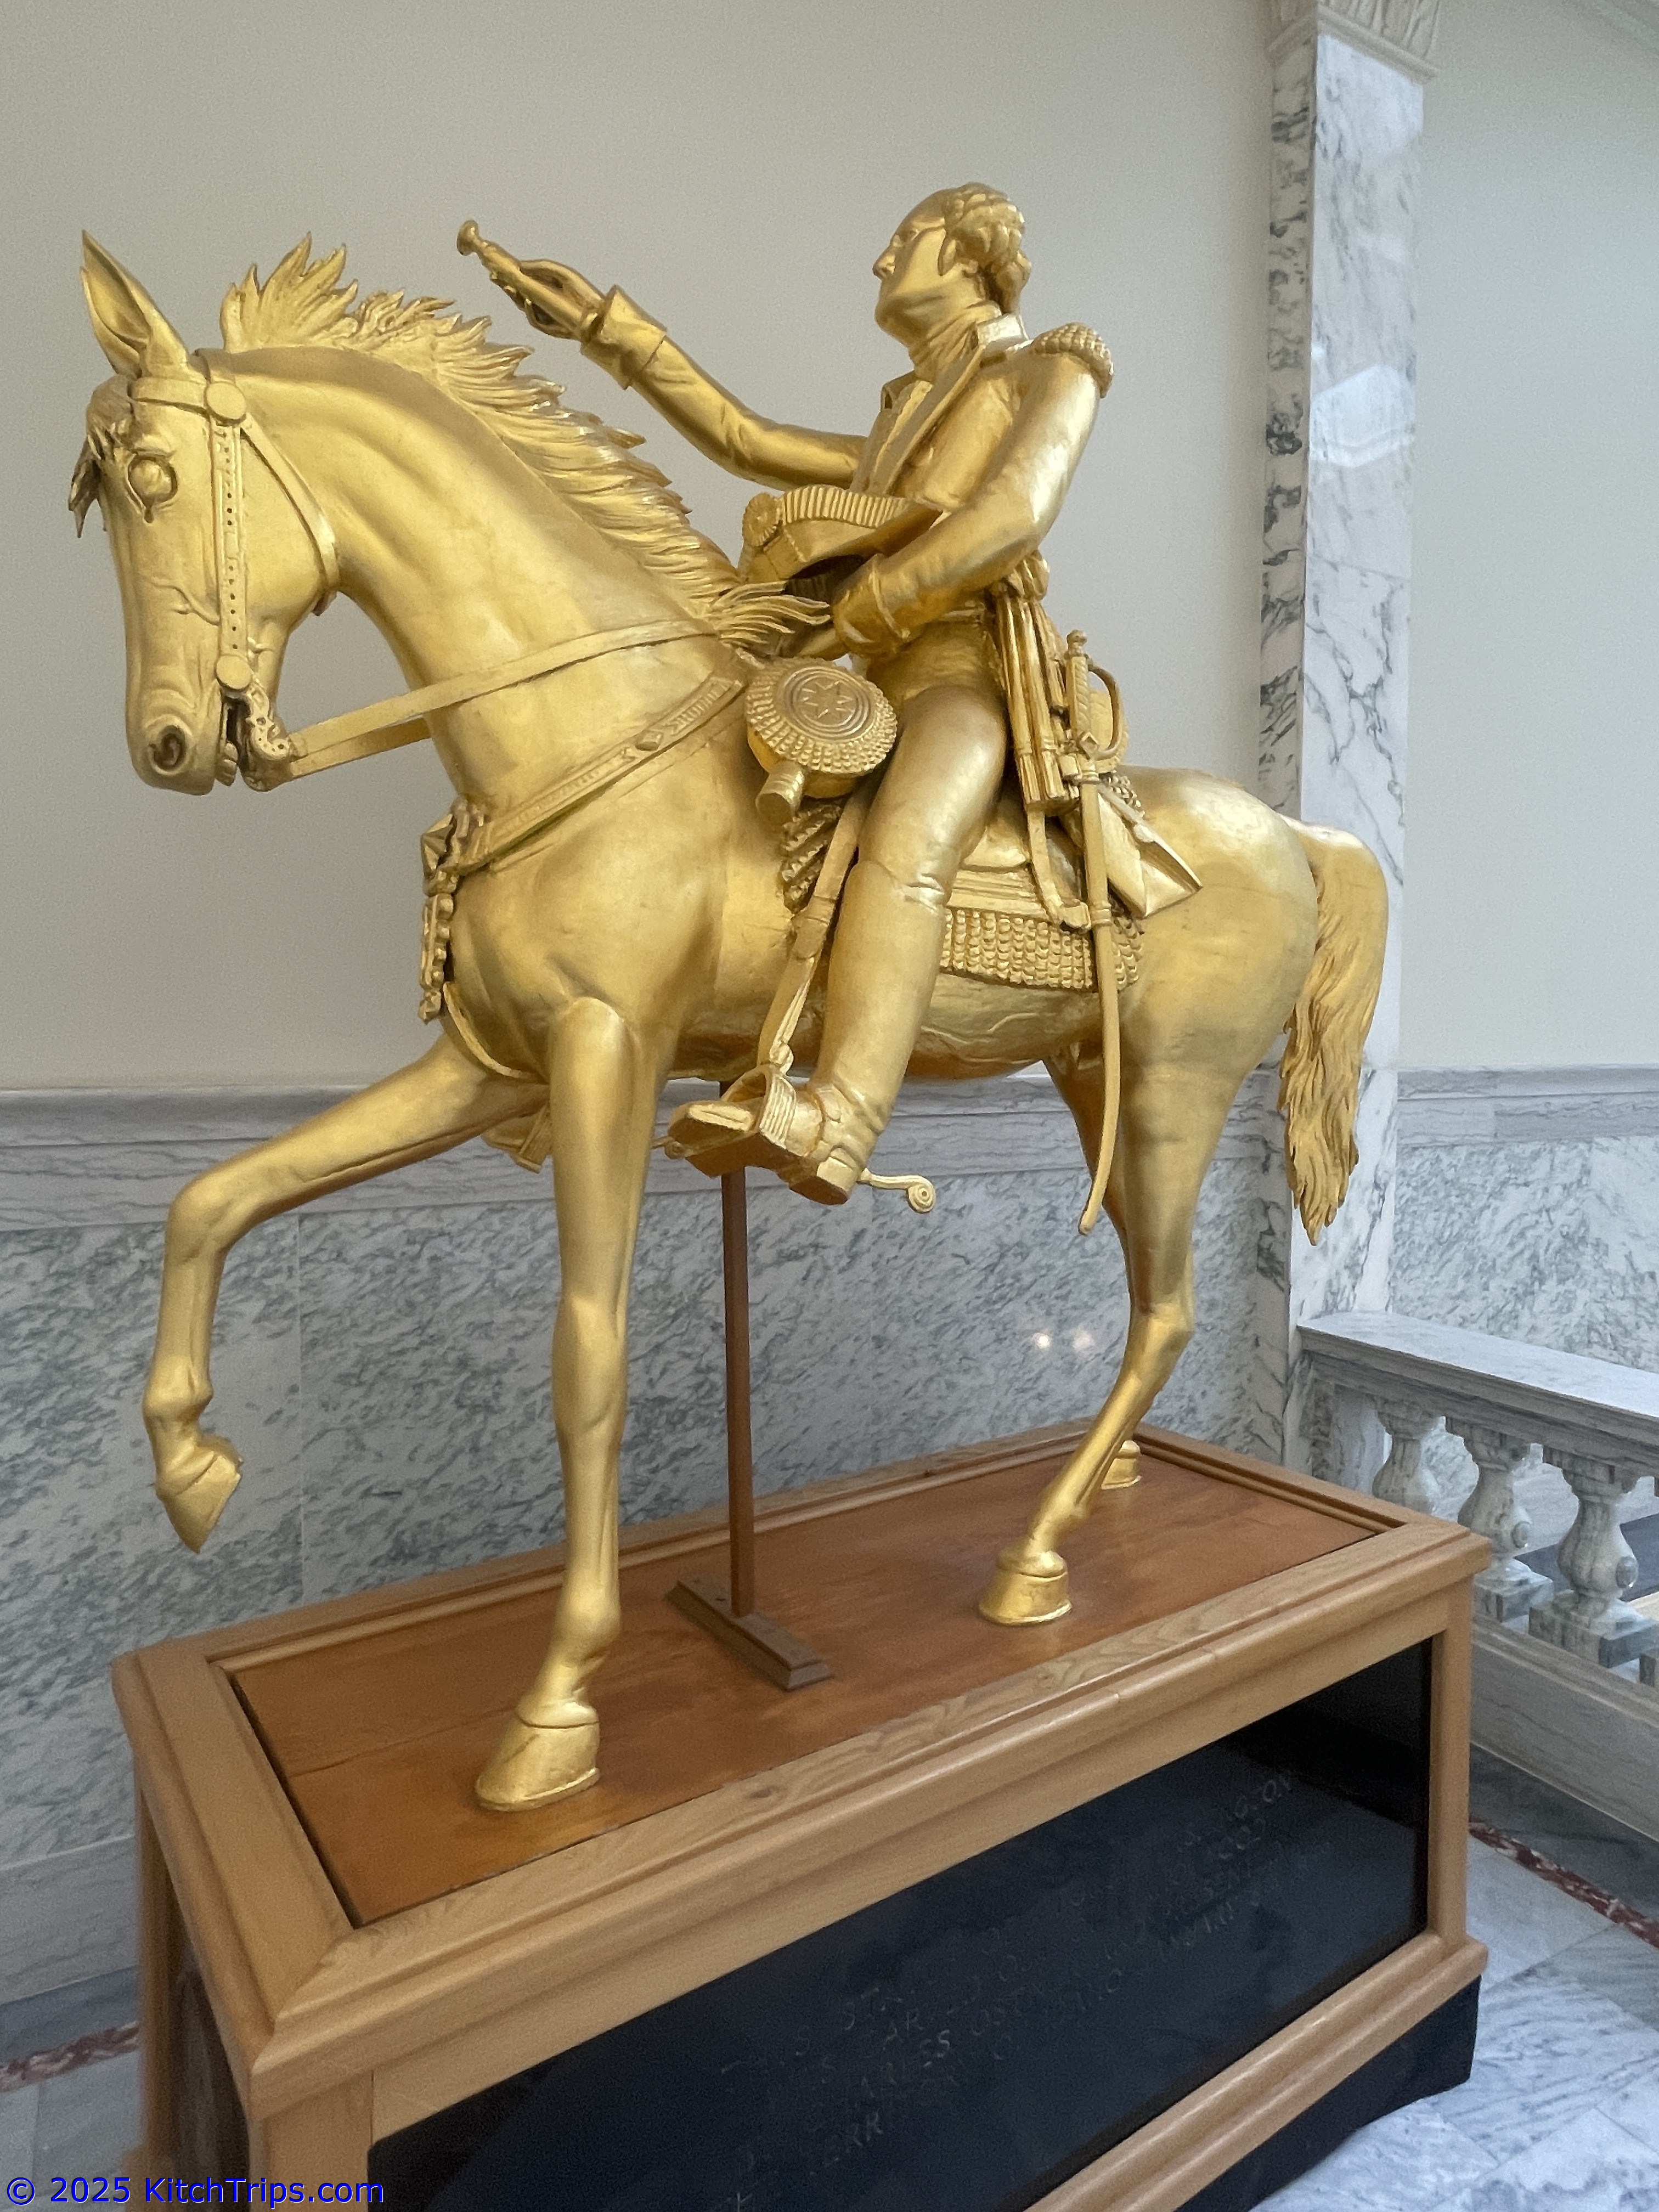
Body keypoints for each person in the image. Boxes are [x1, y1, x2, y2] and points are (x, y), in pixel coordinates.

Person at [483, 185, 1110, 1202]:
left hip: (962, 675)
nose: (882, 261)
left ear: (969, 255)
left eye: (904, 239)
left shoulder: (1055, 367)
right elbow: (747, 438)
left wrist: (864, 608)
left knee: (908, 844)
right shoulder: (904, 417)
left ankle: (840, 1118)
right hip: (863, 678)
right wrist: (605, 328)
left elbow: (1011, 516)